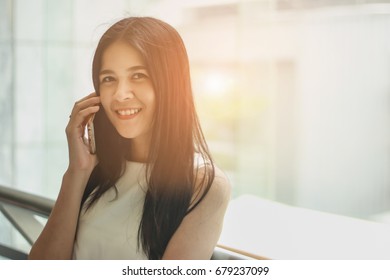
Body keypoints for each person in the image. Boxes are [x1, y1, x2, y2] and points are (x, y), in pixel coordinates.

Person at [28, 17, 231, 260]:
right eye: (109, 79)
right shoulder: (94, 167)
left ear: (170, 84)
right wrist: (77, 172)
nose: (121, 94)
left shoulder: (204, 183)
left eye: (138, 76)